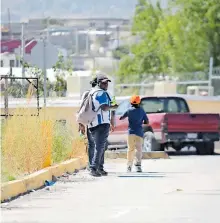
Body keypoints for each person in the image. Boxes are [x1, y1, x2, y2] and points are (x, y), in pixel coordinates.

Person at [88, 74, 118, 177]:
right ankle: (93, 168)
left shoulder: (92, 92)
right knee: (100, 146)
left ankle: (99, 168)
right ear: (98, 83)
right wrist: (114, 106)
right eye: (104, 82)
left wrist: (112, 121)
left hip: (92, 123)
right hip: (101, 123)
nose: (106, 84)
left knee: (101, 146)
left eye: (107, 82)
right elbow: (105, 108)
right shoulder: (101, 94)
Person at [119, 95, 148, 173]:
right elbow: (147, 122)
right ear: (139, 102)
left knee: (130, 149)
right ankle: (138, 166)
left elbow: (121, 117)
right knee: (139, 149)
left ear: (131, 102)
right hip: (139, 133)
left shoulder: (129, 110)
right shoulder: (142, 111)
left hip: (130, 132)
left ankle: (129, 166)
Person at [79, 77, 97, 170]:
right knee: (94, 144)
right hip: (94, 122)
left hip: (91, 122)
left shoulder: (86, 93)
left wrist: (80, 123)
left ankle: (93, 165)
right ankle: (93, 165)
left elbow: (80, 108)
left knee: (92, 144)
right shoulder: (88, 93)